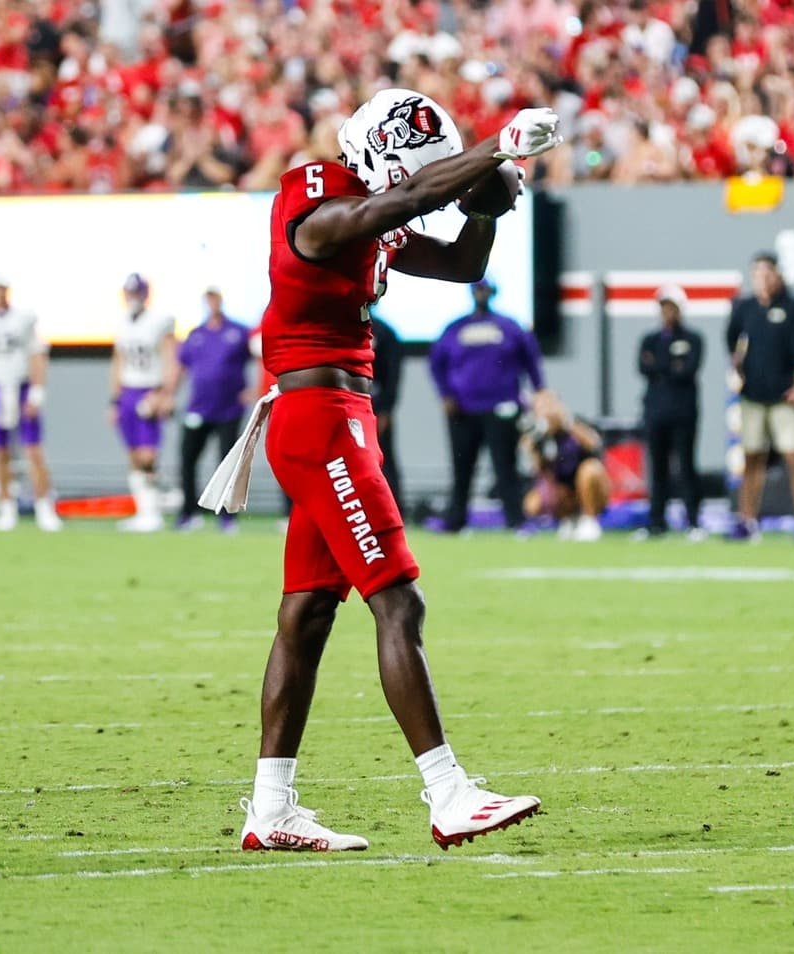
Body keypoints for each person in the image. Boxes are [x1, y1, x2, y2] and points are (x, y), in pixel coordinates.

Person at [198, 89, 560, 852]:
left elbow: (461, 262)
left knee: (307, 615)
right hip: (321, 419)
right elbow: (382, 212)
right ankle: (449, 793)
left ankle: (271, 809)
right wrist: (493, 150)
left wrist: (486, 207)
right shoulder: (319, 194)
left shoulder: (373, 216)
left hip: (334, 417)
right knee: (398, 602)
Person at [430, 278, 548, 533]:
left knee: (505, 466)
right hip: (463, 409)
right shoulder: (456, 328)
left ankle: (516, 520)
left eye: (485, 289)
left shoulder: (509, 327)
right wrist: (446, 395)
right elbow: (437, 363)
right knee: (462, 467)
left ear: (492, 292)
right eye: (477, 289)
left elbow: (532, 361)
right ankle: (456, 520)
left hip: (501, 407)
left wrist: (540, 393)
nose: (481, 294)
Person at [725, 251, 794, 543]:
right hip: (754, 396)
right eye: (757, 274)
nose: (762, 279)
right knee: (752, 458)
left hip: (785, 397)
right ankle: (747, 521)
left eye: (767, 273)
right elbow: (732, 341)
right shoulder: (745, 308)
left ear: (778, 275)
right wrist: (738, 369)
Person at [0, 276, 61, 532]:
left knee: (33, 451)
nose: (0, 293)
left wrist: (36, 393)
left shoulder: (24, 319)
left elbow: (37, 355)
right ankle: (5, 508)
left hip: (19, 386)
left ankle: (45, 508)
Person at [171, 287, 251, 532]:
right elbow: (180, 368)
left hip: (229, 409)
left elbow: (260, 358)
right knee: (187, 458)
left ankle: (227, 517)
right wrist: (168, 395)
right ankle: (188, 513)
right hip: (199, 407)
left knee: (227, 462)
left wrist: (255, 390)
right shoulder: (196, 334)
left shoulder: (238, 332)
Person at [111, 273, 178, 533]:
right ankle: (145, 510)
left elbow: (171, 360)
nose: (133, 297)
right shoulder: (123, 323)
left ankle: (156, 507)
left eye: (137, 292)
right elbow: (118, 362)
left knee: (148, 455)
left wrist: (163, 394)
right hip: (128, 391)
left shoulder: (158, 322)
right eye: (130, 292)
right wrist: (114, 400)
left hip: (149, 389)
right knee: (132, 454)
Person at [637, 285, 705, 540]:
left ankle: (693, 522)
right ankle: (656, 522)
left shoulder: (693, 339)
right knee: (658, 468)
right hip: (656, 412)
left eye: (671, 307)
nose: (667, 313)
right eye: (663, 307)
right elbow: (643, 368)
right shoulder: (650, 339)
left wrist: (661, 366)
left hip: (683, 412)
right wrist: (670, 366)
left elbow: (687, 370)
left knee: (686, 466)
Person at [521, 393, 610, 541]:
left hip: (590, 487)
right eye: (541, 407)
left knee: (589, 470)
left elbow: (594, 444)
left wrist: (567, 424)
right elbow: (539, 472)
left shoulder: (575, 423)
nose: (546, 411)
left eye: (549, 405)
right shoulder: (539, 435)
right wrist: (534, 448)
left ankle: (589, 519)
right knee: (533, 502)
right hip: (565, 490)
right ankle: (568, 519)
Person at [371, 316, 406, 510]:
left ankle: (392, 510)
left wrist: (386, 409)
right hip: (342, 402)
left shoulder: (383, 331)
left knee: (383, 459)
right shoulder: (339, 323)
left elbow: (393, 375)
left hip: (374, 406)